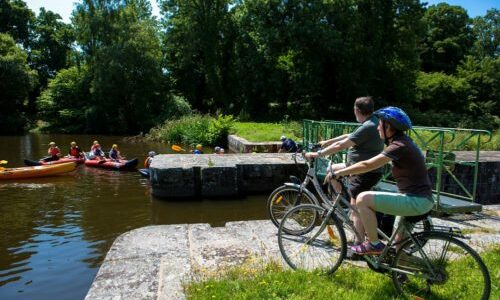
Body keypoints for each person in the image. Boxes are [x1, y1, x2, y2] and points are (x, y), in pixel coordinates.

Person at [331, 106, 434, 255]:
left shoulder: (399, 146)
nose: (378, 127)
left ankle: (373, 244)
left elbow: (368, 164)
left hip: (415, 201)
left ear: (388, 127)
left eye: (380, 124)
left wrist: (340, 172)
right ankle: (402, 275)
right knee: (399, 246)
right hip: (421, 200)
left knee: (362, 199)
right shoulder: (403, 142)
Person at [305, 96, 385, 244]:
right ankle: (342, 201)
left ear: (357, 110)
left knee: (356, 209)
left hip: (364, 171)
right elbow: (349, 136)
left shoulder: (368, 126)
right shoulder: (372, 121)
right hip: (359, 167)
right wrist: (326, 142)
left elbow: (341, 146)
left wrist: (317, 154)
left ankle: (358, 244)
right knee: (332, 169)